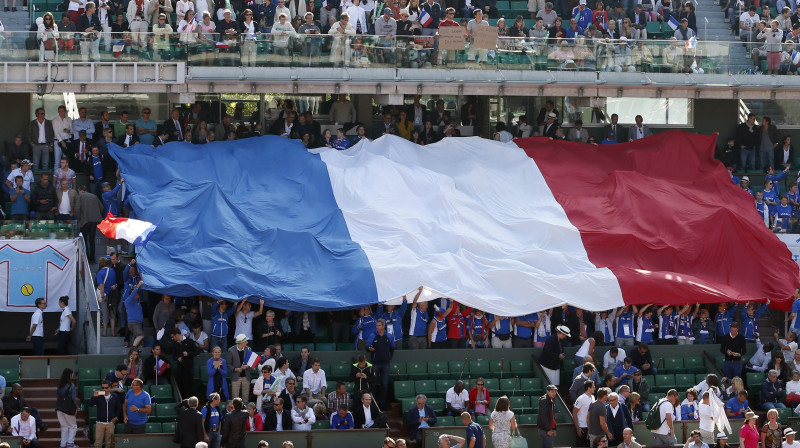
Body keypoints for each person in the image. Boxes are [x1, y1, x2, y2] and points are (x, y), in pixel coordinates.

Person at [89, 380, 121, 448]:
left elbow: (118, 408)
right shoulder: (98, 396)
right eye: (102, 388)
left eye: (106, 388)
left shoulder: (115, 396)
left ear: (110, 388)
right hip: (100, 423)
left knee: (109, 443)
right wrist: (94, 397)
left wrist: (116, 417)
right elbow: (90, 404)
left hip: (110, 423)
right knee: (98, 443)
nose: (104, 389)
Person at [56, 368, 79, 448]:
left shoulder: (59, 385)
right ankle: (70, 444)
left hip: (59, 409)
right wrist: (76, 408)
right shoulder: (71, 385)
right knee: (73, 426)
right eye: (72, 374)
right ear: (70, 375)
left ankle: (63, 444)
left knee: (64, 427)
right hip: (68, 409)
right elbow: (73, 398)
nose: (72, 375)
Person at [228, 334, 252, 400]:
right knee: (235, 398)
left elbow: (251, 362)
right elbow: (229, 364)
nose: (247, 342)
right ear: (241, 342)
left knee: (245, 397)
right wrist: (235, 369)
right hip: (236, 377)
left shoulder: (249, 349)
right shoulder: (231, 350)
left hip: (246, 377)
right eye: (245, 341)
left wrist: (247, 366)